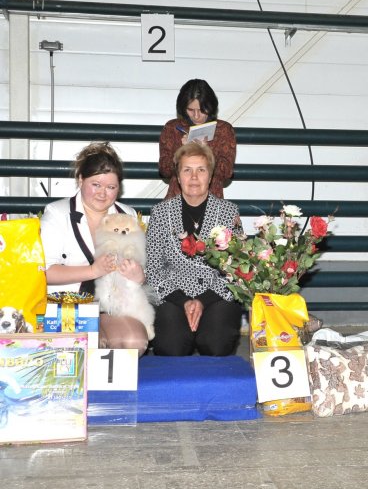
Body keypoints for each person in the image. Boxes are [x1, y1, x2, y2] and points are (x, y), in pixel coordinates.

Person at [40, 142, 150, 356]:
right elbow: (44, 273)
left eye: (111, 187)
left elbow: (139, 272)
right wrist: (92, 271)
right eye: (96, 185)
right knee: (88, 344)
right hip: (67, 308)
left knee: (135, 341)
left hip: (110, 307)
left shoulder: (128, 215)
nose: (103, 193)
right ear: (81, 179)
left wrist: (139, 276)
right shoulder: (55, 213)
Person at [146, 141, 244, 356]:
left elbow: (236, 268)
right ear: (178, 177)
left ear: (210, 176)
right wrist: (184, 301)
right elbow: (153, 268)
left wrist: (201, 301)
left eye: (201, 170)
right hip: (172, 294)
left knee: (216, 343)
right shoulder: (160, 213)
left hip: (217, 294)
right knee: (171, 345)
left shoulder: (229, 212)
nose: (193, 177)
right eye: (187, 170)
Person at [159, 78, 236, 199]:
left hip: (212, 203)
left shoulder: (223, 130)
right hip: (177, 202)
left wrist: (206, 151)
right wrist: (182, 151)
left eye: (201, 110)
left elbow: (226, 173)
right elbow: (164, 170)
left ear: (210, 107)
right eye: (190, 110)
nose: (196, 115)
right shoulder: (173, 128)